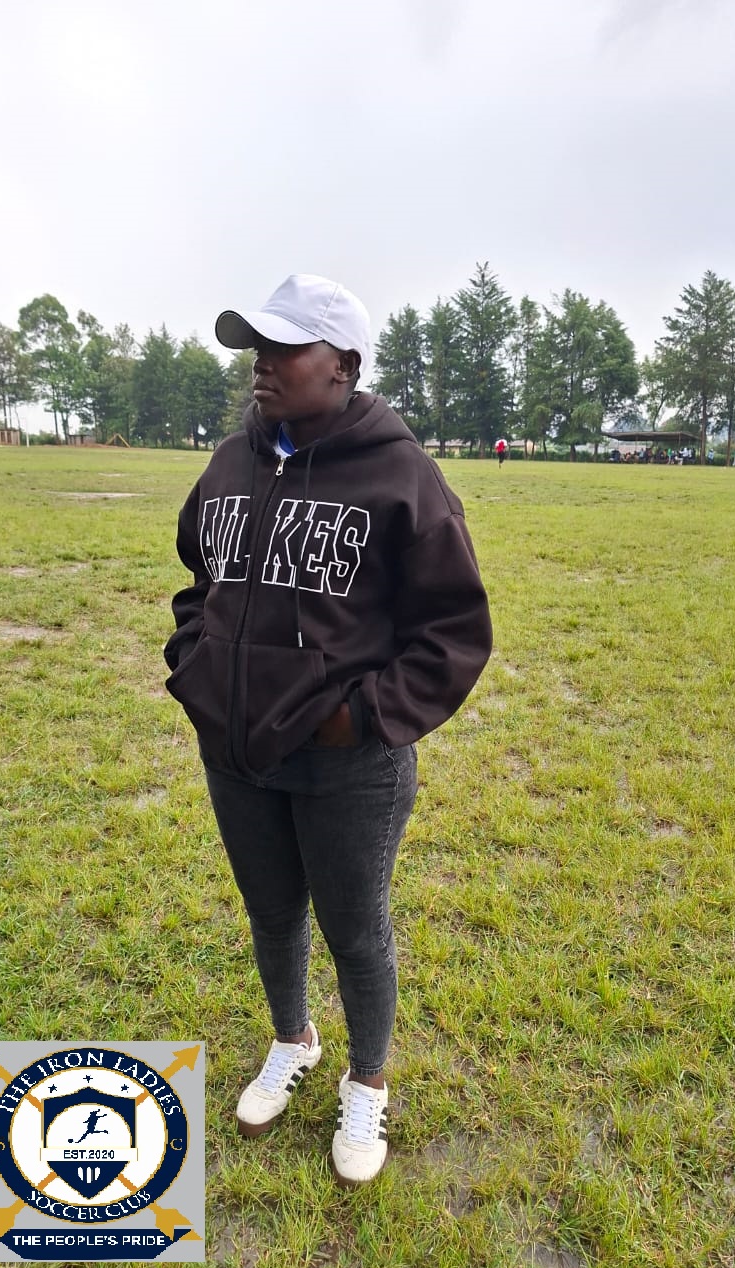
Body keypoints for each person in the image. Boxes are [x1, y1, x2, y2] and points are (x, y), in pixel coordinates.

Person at [164, 274, 492, 1186]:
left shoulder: (400, 474)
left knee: (355, 930)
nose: (261, 365)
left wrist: (360, 719)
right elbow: (199, 582)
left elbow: (455, 632)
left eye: (284, 349)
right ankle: (292, 1040)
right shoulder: (229, 464)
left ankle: (366, 1082)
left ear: (343, 365)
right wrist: (196, 669)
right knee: (272, 916)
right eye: (256, 348)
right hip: (237, 752)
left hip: (349, 766)